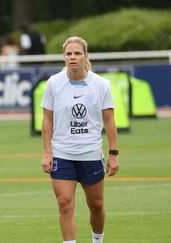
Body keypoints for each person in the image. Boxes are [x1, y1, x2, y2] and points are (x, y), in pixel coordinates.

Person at [41, 36, 119, 243]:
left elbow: (110, 121)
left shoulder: (101, 85)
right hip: (62, 154)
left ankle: (97, 239)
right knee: (64, 203)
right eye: (69, 54)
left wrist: (113, 154)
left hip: (91, 154)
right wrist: (47, 152)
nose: (73, 57)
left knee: (97, 205)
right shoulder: (54, 83)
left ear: (85, 56)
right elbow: (47, 120)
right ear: (63, 57)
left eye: (77, 53)